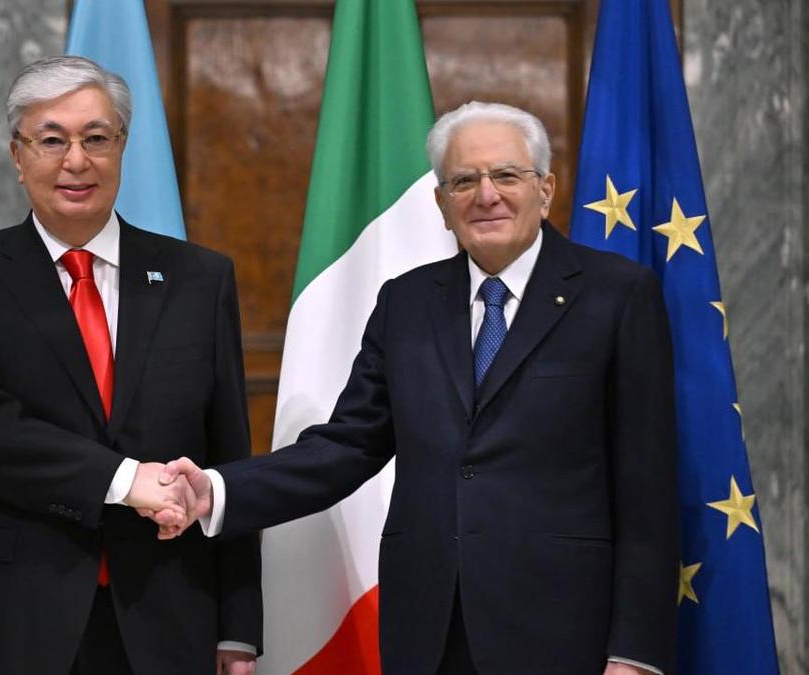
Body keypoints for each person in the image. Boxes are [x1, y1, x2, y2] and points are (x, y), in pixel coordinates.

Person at [156, 102, 679, 675]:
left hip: (565, 632)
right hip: (429, 631)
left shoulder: (616, 296)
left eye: (506, 175)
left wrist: (634, 653)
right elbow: (347, 446)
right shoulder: (406, 302)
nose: (486, 195)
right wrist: (217, 490)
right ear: (441, 204)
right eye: (464, 181)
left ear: (546, 189)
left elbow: (647, 489)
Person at [0, 55, 262, 675]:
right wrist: (126, 480)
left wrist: (238, 628)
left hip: (167, 614)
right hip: (13, 612)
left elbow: (227, 452)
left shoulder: (199, 278)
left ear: (122, 148)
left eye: (96, 139)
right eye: (52, 140)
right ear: (17, 156)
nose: (76, 161)